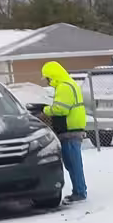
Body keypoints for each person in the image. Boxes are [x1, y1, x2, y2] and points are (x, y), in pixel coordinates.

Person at [41, 61, 88, 202]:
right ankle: (79, 190)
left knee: (73, 163)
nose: (48, 82)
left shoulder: (64, 87)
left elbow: (61, 109)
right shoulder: (69, 83)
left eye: (48, 78)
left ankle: (79, 191)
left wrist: (45, 110)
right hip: (72, 127)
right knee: (73, 162)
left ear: (53, 76)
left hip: (70, 129)